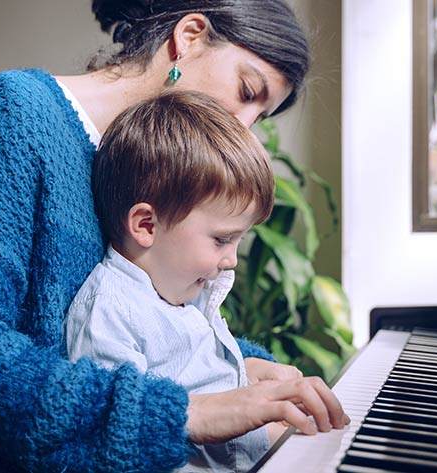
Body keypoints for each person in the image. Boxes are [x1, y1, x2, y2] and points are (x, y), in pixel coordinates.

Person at [0, 1, 349, 472]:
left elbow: (136, 323)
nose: (244, 129)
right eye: (247, 92)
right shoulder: (8, 116)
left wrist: (238, 367)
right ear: (190, 38)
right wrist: (187, 413)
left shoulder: (157, 165)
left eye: (261, 118)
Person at [66, 90, 283, 472]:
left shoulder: (182, 288)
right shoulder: (110, 313)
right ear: (146, 225)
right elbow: (120, 439)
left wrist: (249, 375)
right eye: (221, 239)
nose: (231, 260)